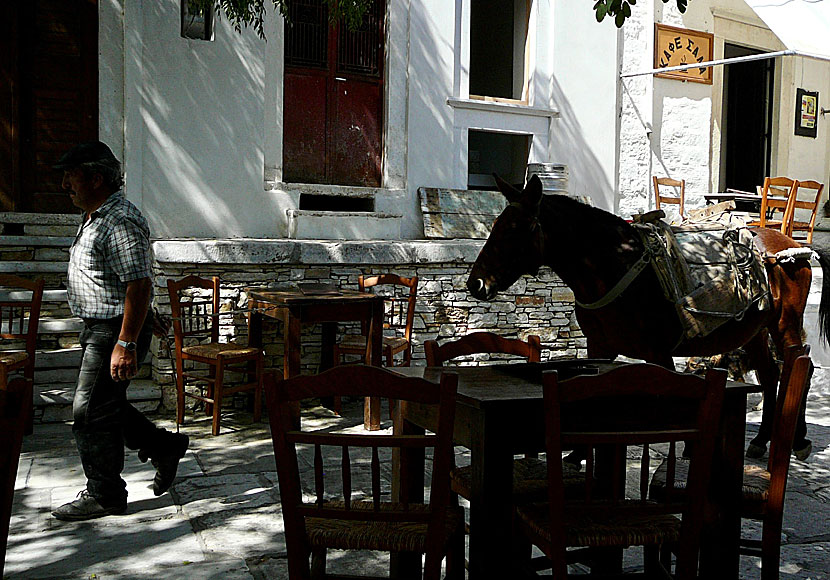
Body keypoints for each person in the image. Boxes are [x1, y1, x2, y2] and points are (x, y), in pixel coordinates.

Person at [51, 141, 189, 521]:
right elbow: (122, 280)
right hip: (104, 326)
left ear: (96, 178)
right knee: (104, 406)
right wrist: (148, 316)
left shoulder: (118, 219)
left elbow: (139, 282)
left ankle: (105, 493)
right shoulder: (97, 215)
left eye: (71, 175)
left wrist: (127, 341)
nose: (65, 184)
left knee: (88, 412)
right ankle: (164, 447)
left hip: (114, 332)